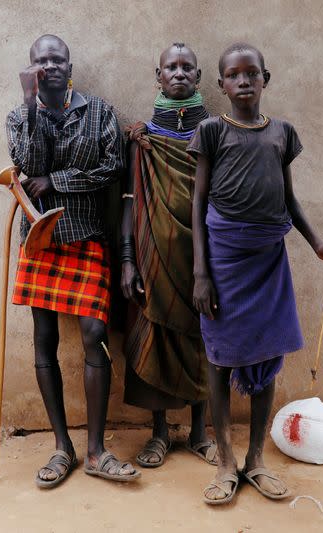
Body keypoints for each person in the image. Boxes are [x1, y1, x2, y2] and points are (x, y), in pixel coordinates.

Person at [187, 43, 323, 505]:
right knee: (220, 357)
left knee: (268, 352)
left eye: (251, 74)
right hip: (223, 262)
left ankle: (255, 459)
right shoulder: (212, 131)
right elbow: (197, 204)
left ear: (265, 78)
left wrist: (317, 244)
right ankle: (224, 461)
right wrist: (201, 272)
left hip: (268, 260)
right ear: (220, 85)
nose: (243, 81)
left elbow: (288, 200)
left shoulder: (282, 133)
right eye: (233, 76)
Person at [6, 34, 138, 488]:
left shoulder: (99, 112)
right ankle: (62, 446)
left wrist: (56, 181)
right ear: (31, 68)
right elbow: (26, 163)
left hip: (85, 235)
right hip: (40, 238)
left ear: (69, 64)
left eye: (56, 59)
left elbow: (112, 168)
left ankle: (97, 450)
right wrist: (30, 103)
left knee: (95, 333)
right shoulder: (18, 116)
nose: (50, 66)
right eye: (41, 61)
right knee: (44, 338)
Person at [120, 43, 217, 468]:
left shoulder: (214, 134)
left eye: (186, 68)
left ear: (198, 78)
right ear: (156, 76)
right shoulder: (142, 139)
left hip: (203, 258)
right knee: (155, 334)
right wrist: (127, 258)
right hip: (152, 255)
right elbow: (127, 200)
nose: (178, 73)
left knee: (202, 337)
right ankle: (159, 433)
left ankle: (199, 433)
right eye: (170, 67)